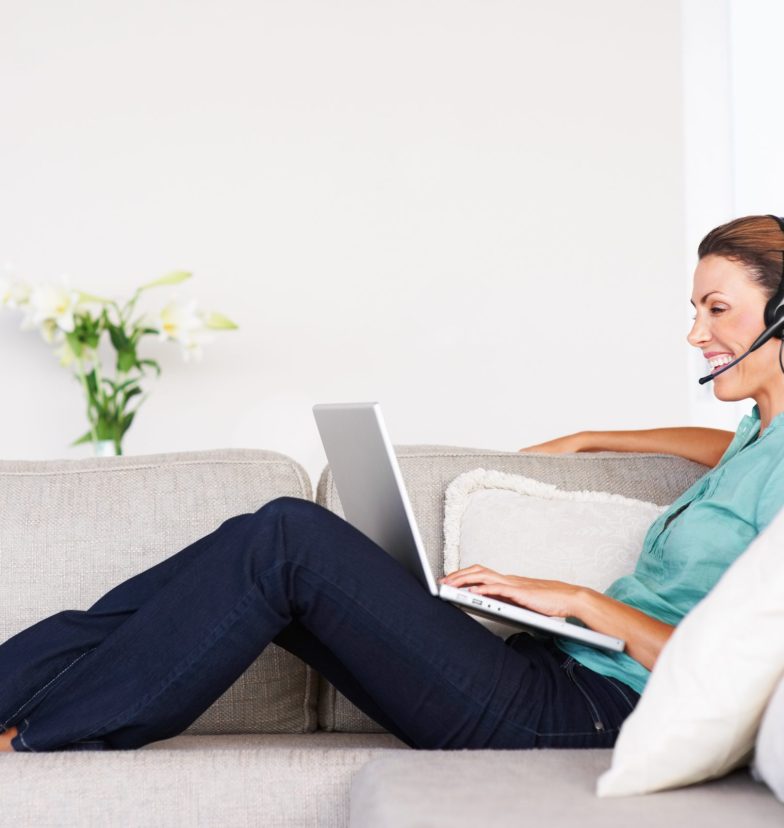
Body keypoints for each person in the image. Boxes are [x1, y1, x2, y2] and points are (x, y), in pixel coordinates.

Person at [2, 215, 784, 754]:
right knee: (256, 537)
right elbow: (722, 449)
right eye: (693, 308)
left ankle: (49, 732)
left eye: (718, 310)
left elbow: (747, 667)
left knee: (285, 538)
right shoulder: (759, 432)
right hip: (556, 674)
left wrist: (580, 601)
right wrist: (595, 436)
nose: (695, 333)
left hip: (589, 715)